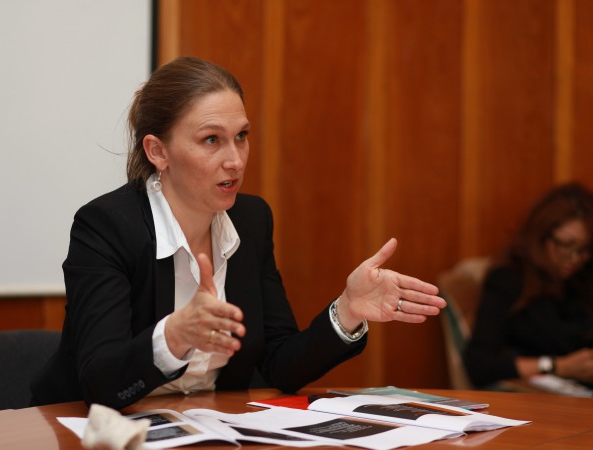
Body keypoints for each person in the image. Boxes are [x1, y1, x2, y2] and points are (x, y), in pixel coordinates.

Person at [30, 56, 446, 408]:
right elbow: (99, 381)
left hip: (205, 429)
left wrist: (348, 310)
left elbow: (280, 364)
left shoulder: (251, 220)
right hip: (92, 431)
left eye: (241, 137)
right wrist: (173, 336)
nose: (235, 160)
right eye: (211, 140)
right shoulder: (106, 227)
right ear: (158, 151)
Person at [463, 182, 593, 396]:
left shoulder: (592, 278)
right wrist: (558, 366)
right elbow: (479, 364)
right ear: (541, 236)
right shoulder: (510, 279)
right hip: (549, 395)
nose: (574, 258)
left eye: (584, 250)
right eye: (565, 245)